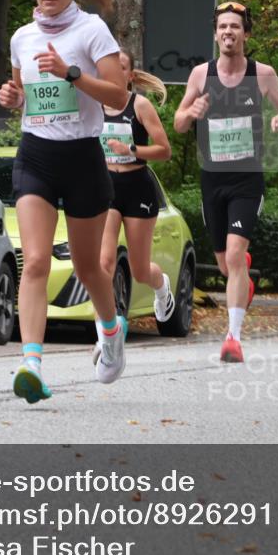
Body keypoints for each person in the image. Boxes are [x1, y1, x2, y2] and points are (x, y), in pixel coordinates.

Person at [0, 0, 129, 403]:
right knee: (32, 261)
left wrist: (72, 73)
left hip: (82, 159)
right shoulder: (21, 38)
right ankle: (31, 362)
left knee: (88, 265)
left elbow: (118, 96)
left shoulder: (92, 31)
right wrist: (14, 99)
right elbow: (25, 97)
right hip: (35, 154)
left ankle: (111, 332)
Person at [173, 0, 278, 363]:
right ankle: (243, 282)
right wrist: (190, 113)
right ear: (215, 34)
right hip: (212, 180)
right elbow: (179, 123)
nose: (229, 32)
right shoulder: (200, 75)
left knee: (234, 255)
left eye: (236, 27)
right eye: (223, 26)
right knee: (228, 266)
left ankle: (233, 338)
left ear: (246, 33)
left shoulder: (262, 74)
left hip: (247, 179)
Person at [97, 50, 175, 341]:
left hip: (138, 186)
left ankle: (162, 286)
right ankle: (106, 334)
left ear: (129, 76)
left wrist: (130, 150)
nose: (113, 72)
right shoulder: (93, 105)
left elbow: (164, 150)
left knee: (139, 270)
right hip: (106, 187)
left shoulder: (139, 105)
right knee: (103, 263)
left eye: (121, 67)